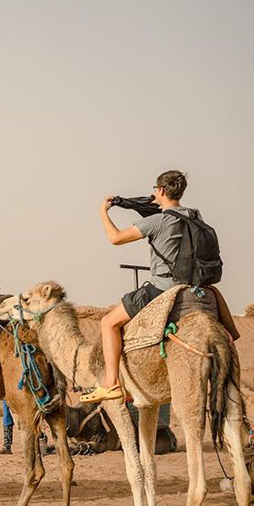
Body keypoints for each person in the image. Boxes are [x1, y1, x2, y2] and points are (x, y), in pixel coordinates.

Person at [81, 170, 196, 403]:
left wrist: (103, 211)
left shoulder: (159, 221)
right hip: (193, 287)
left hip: (162, 288)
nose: (154, 193)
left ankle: (112, 383)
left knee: (108, 323)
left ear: (162, 190)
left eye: (155, 189)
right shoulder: (194, 216)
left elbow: (115, 238)